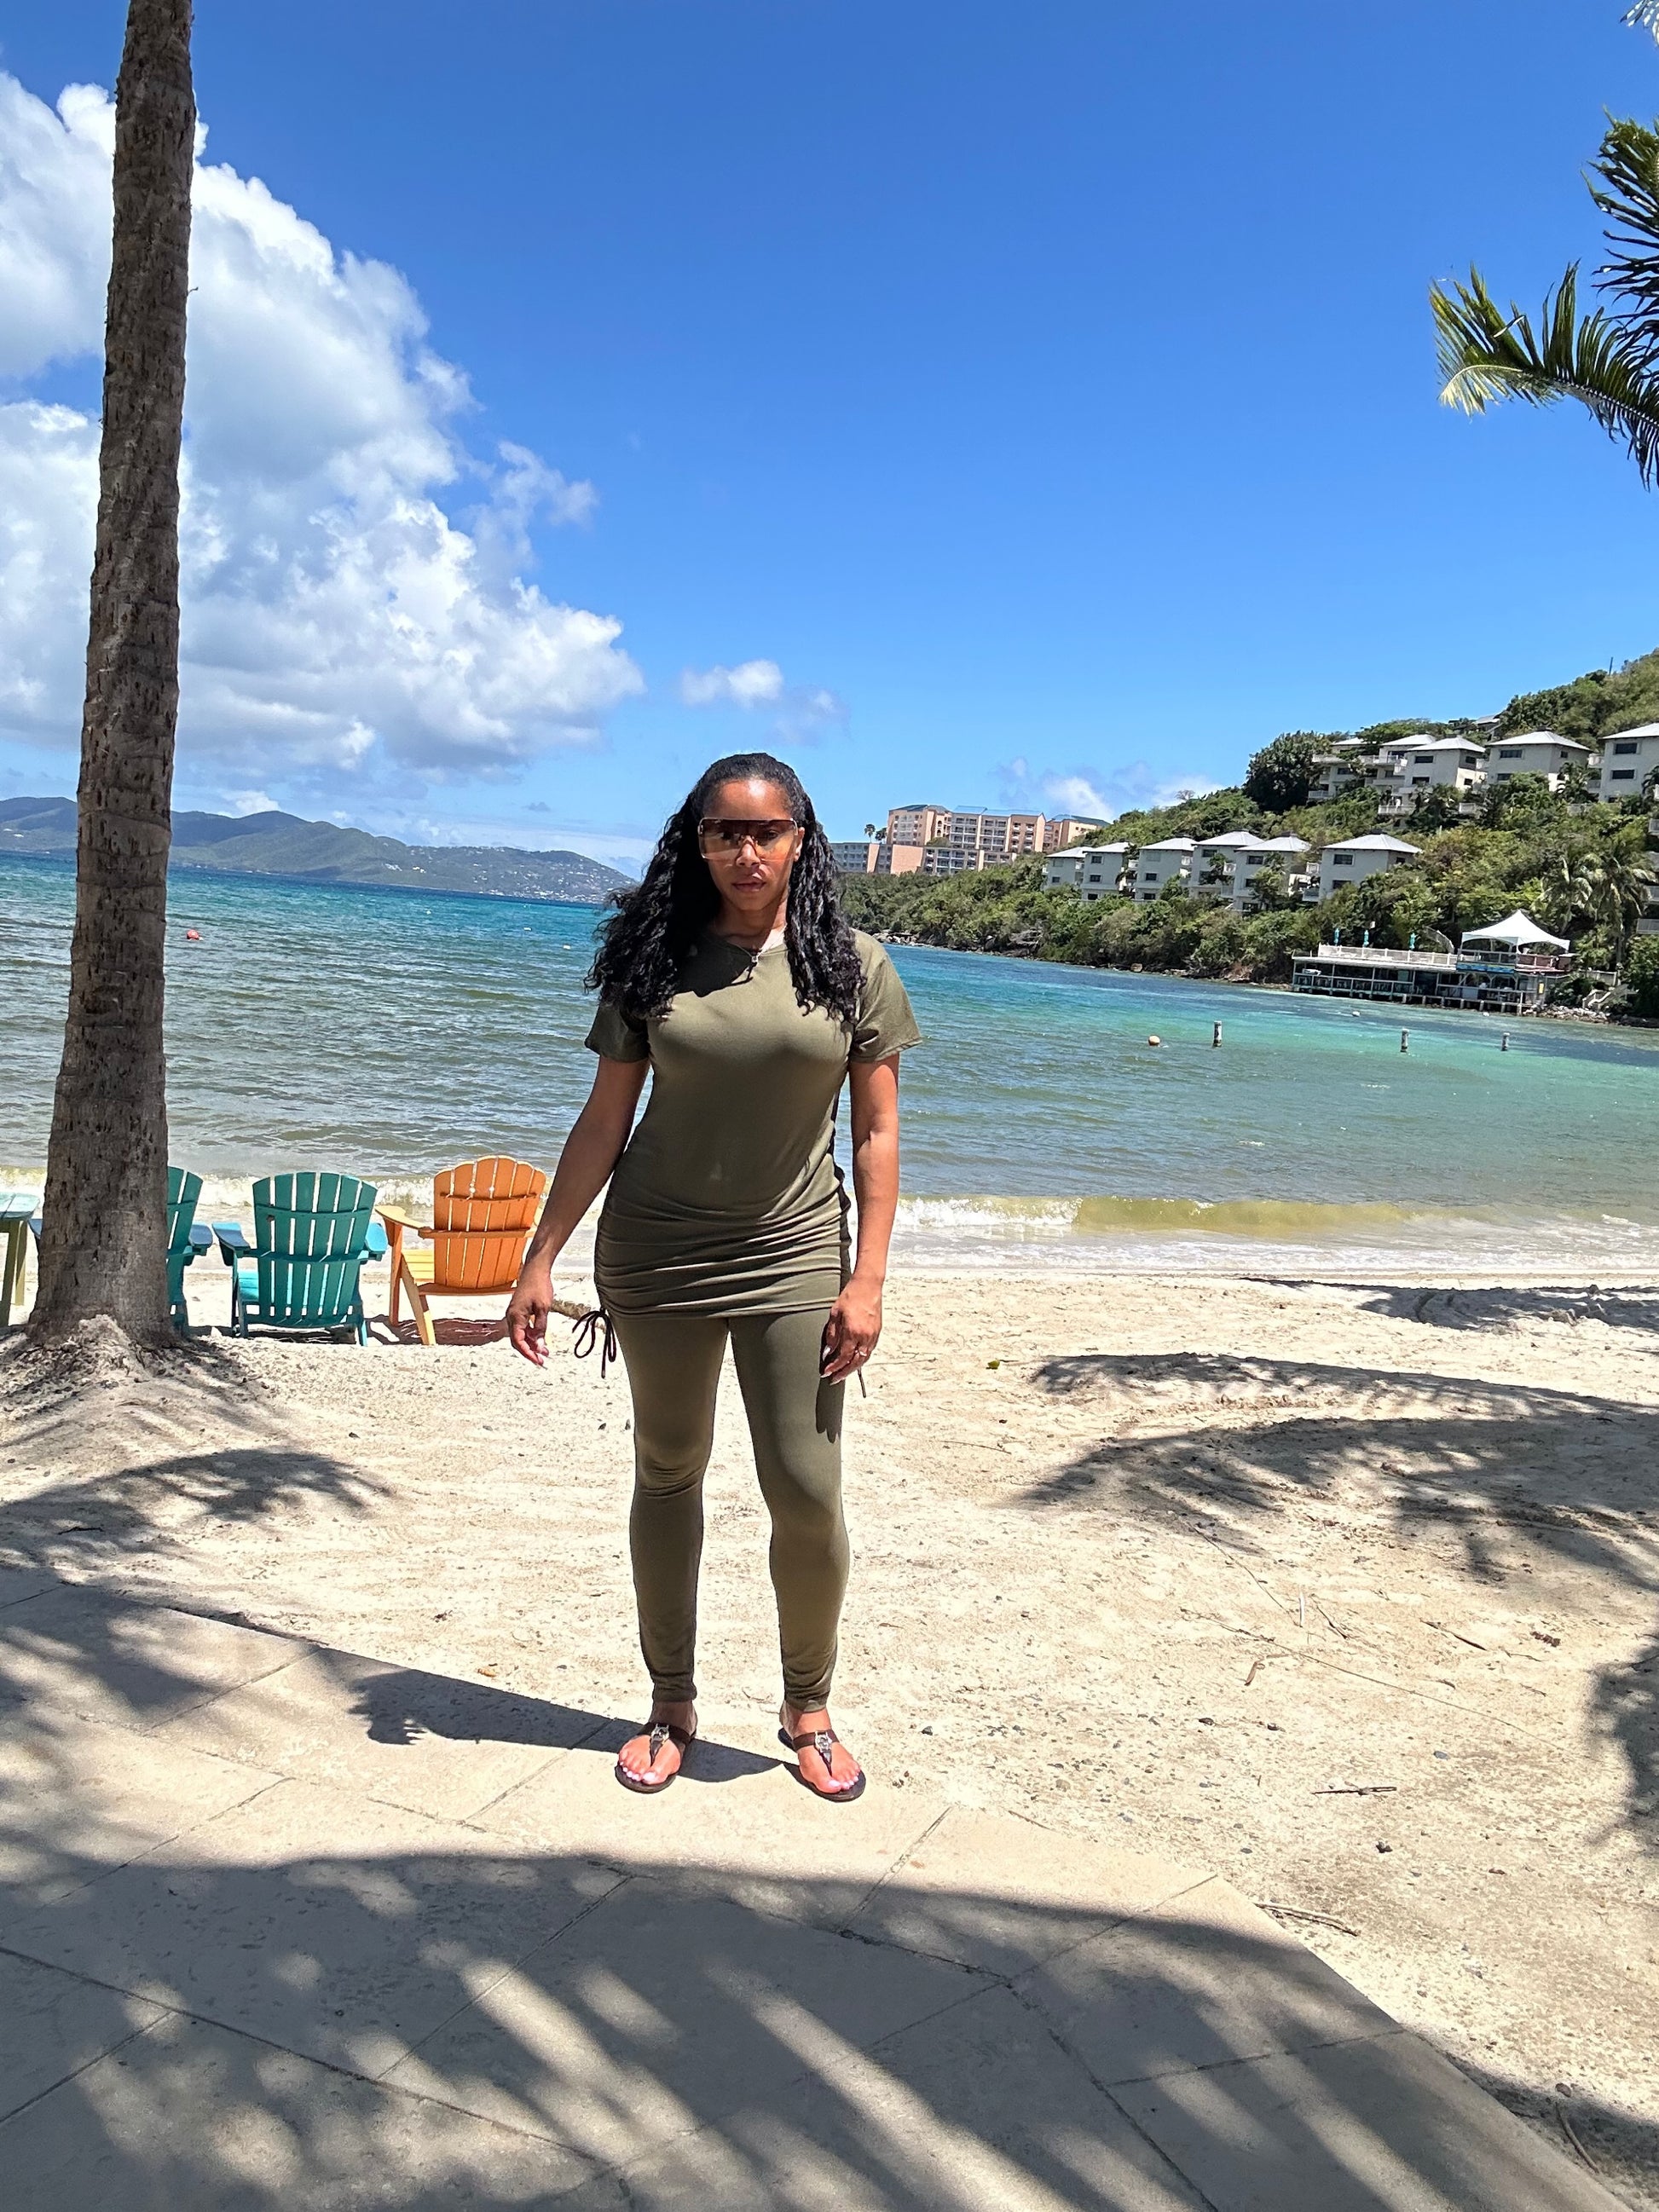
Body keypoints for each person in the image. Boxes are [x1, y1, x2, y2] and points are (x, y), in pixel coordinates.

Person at [507, 753, 921, 1800]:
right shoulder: (654, 961)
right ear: (693, 842)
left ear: (800, 841)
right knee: (667, 1469)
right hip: (654, 1252)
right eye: (724, 832)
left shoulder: (851, 964)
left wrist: (865, 1278)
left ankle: (807, 1703)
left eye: (766, 831)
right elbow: (604, 1122)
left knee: (805, 1489)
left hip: (793, 1252)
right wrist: (540, 1258)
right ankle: (671, 1700)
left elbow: (876, 1134)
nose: (746, 851)